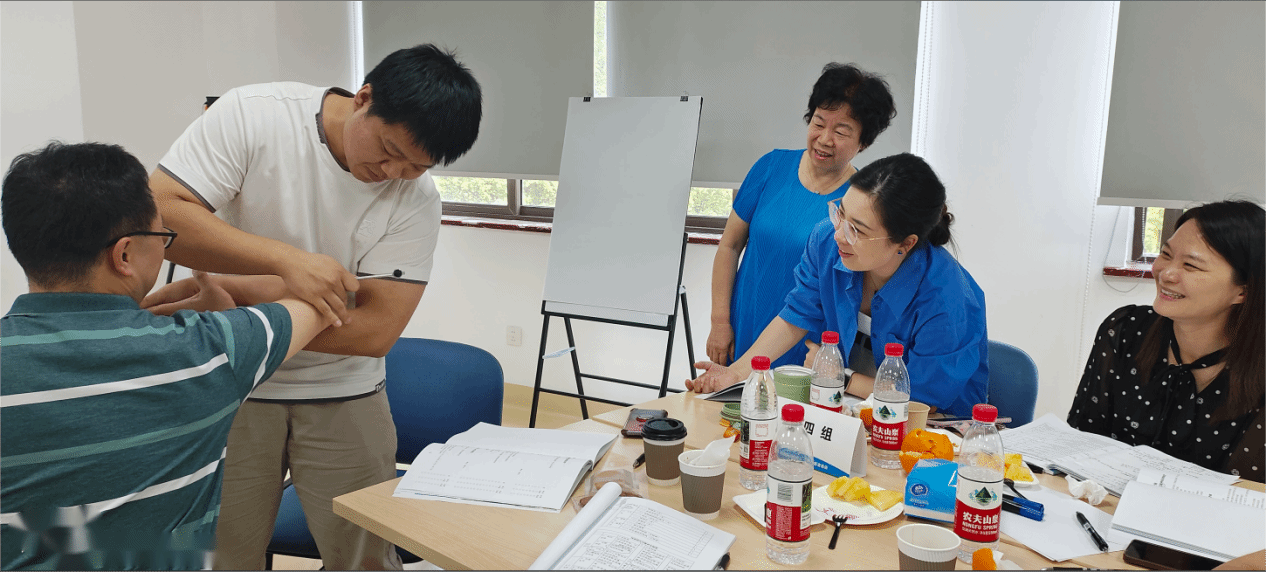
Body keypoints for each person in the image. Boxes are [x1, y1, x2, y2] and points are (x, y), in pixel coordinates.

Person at [146, 43, 482, 569]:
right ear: (364, 97)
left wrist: (242, 297)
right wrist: (287, 264)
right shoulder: (254, 116)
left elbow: (374, 332)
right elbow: (159, 216)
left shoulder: (416, 200)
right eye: (388, 149)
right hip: (234, 383)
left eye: (415, 166)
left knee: (365, 558)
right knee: (222, 555)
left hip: (345, 389)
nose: (393, 171)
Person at [0, 142, 332, 570]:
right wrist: (233, 299)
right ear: (124, 254)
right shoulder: (209, 350)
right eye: (162, 238)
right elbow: (323, 300)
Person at [688, 153, 988, 417]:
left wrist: (841, 377)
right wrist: (736, 373)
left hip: (935, 432)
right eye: (840, 213)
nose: (839, 235)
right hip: (852, 408)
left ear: (905, 243)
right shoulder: (827, 241)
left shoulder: (948, 300)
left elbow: (924, 401)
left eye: (857, 229)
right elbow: (797, 314)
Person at [706, 63, 897, 370]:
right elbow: (729, 245)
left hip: (811, 342)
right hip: (745, 321)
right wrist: (720, 321)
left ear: (863, 142)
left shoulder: (861, 200)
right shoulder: (771, 167)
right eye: (819, 123)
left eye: (841, 132)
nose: (824, 139)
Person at [1068, 200, 1266, 482]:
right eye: (1166, 254)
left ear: (1242, 292)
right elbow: (1080, 443)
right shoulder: (1125, 330)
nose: (1166, 273)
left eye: (1191, 265)